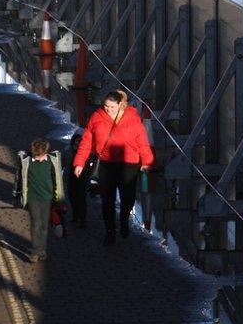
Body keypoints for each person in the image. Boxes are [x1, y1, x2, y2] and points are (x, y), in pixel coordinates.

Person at [73, 90, 153, 246]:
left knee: (128, 197)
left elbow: (142, 142)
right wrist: (79, 162)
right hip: (105, 164)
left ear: (120, 105)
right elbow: (86, 142)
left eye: (111, 106)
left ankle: (123, 219)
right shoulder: (96, 117)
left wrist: (147, 161)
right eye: (106, 106)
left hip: (128, 164)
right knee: (107, 200)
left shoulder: (133, 119)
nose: (108, 109)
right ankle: (110, 231)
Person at [17, 139, 65, 262]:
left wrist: (58, 198)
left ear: (45, 153)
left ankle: (41, 250)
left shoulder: (51, 162)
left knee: (44, 225)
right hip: (32, 198)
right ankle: (35, 251)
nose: (37, 158)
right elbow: (19, 180)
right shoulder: (26, 162)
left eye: (39, 156)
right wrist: (16, 196)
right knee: (35, 223)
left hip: (47, 198)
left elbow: (57, 180)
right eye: (35, 156)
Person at [63, 131, 89, 227]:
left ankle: (82, 219)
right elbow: (62, 162)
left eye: (80, 141)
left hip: (82, 179)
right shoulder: (67, 150)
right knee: (72, 198)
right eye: (77, 140)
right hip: (70, 177)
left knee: (81, 199)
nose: (78, 142)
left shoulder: (87, 152)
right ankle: (75, 216)